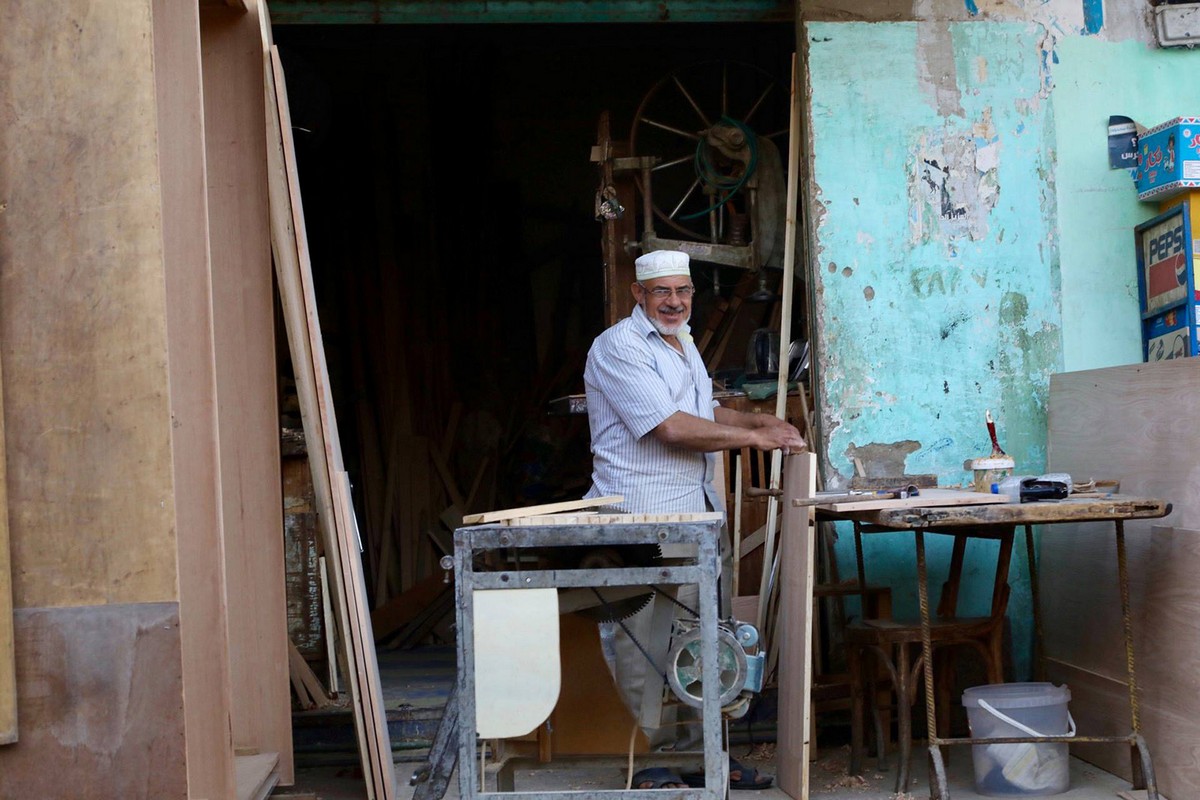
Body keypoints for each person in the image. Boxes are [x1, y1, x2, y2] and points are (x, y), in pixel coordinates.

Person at [582, 249, 805, 790]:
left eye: (683, 292)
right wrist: (754, 437)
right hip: (642, 519)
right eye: (662, 292)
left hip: (697, 516)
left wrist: (758, 420)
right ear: (639, 295)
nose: (675, 302)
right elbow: (672, 429)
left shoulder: (682, 344)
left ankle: (702, 755)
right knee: (645, 642)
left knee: (703, 642)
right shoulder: (619, 346)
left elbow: (702, 413)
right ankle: (649, 760)